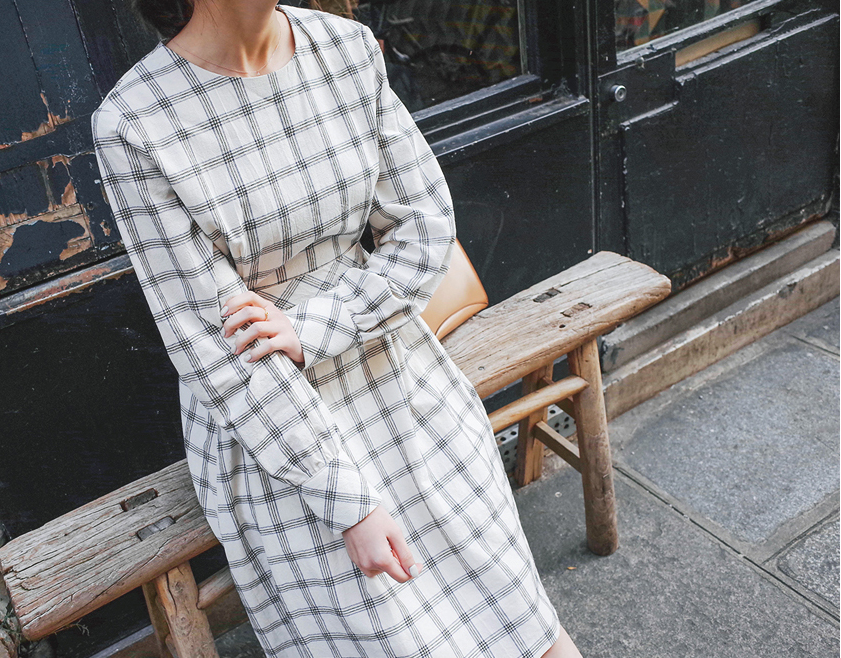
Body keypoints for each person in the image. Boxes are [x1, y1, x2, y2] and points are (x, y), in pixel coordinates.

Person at [91, 0, 583, 655]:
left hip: (396, 371)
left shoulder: (344, 48)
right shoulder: (135, 122)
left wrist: (316, 324)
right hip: (274, 427)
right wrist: (346, 501)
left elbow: (425, 228)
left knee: (524, 618)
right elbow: (216, 349)